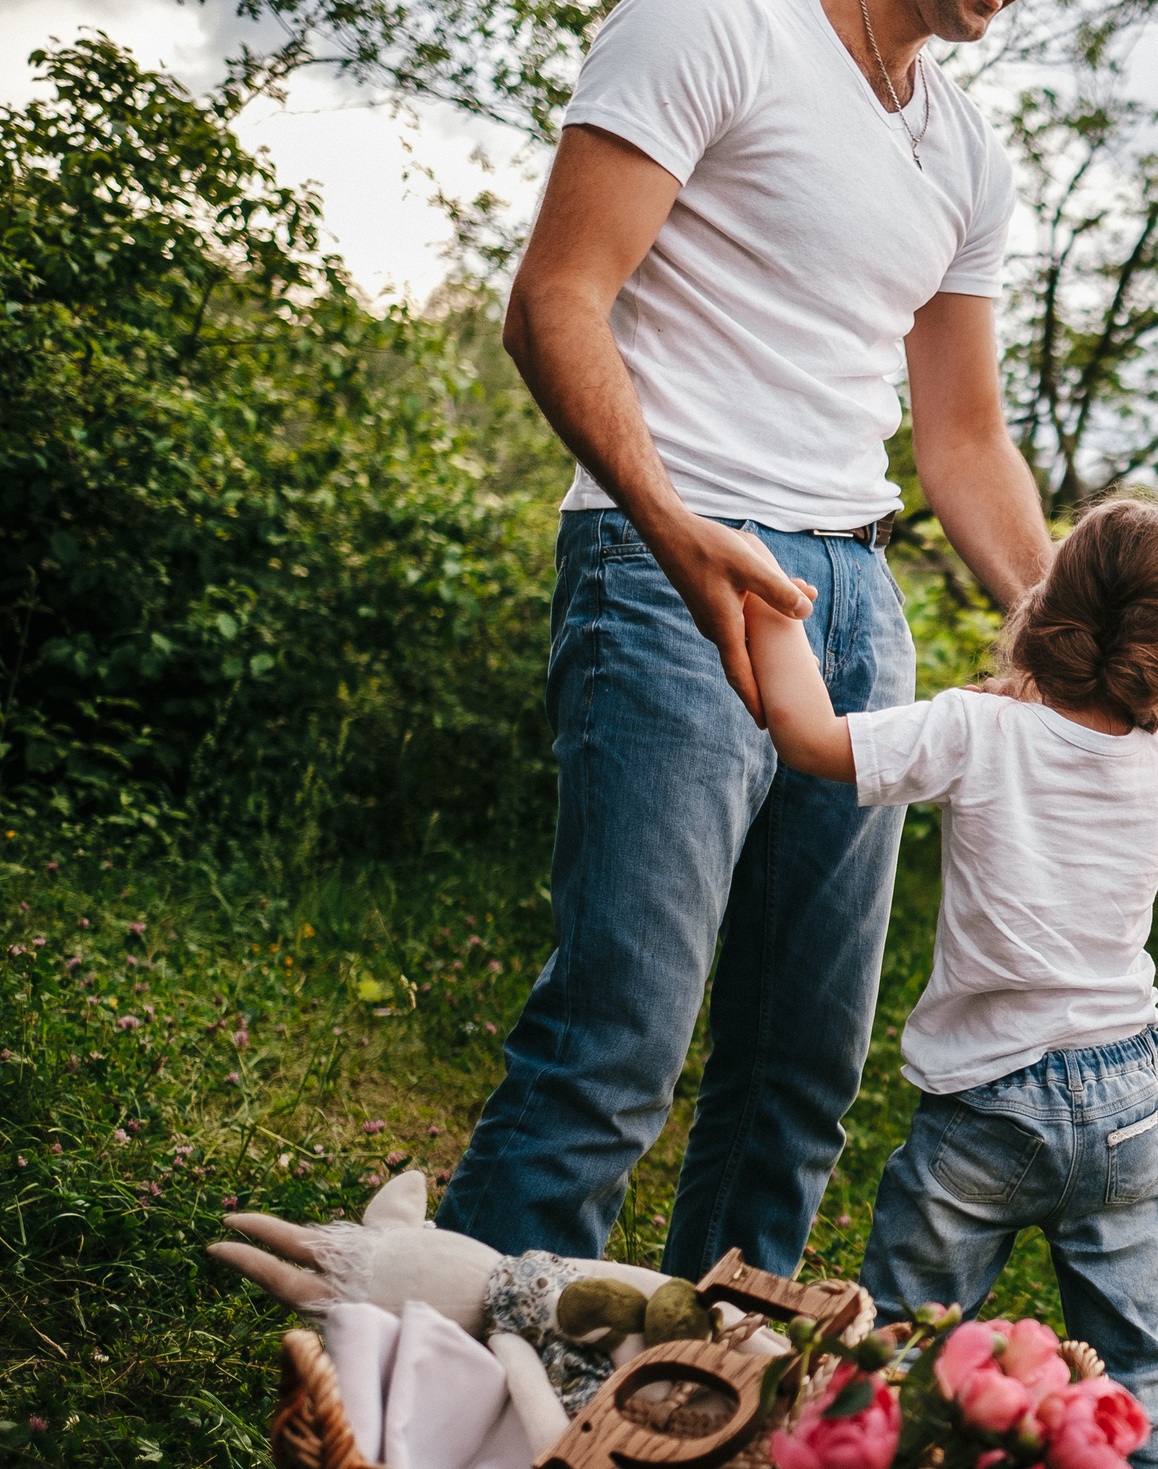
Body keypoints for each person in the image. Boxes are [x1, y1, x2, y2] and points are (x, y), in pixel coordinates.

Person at [435, 0, 1053, 1279]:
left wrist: (1079, 644)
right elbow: (555, 299)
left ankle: (679, 1431)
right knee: (617, 1039)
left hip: (855, 600)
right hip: (669, 558)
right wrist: (666, 521)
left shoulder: (963, 150)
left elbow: (964, 438)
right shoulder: (710, 24)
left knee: (799, 1070)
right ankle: (434, 1420)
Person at [744, 495, 1158, 1469]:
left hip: (985, 1103)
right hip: (1126, 1093)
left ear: (1045, 605)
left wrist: (770, 604)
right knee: (1134, 1359)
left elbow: (813, 741)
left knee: (906, 1345)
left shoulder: (978, 729)